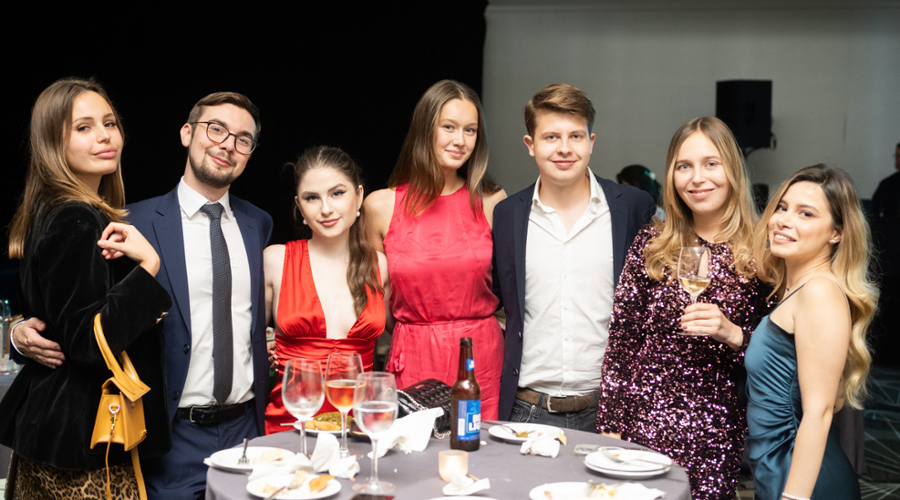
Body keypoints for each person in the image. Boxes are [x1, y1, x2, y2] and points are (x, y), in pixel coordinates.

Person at [0, 78, 172, 498]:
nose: (104, 136)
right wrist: (148, 267)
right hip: (86, 443)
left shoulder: (56, 211)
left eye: (109, 123)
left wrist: (18, 330)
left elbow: (59, 318)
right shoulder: (75, 218)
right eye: (83, 127)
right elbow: (89, 346)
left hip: (51, 435)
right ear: (52, 143)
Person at [596, 116, 770, 499]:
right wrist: (610, 424)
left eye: (711, 163)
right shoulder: (654, 242)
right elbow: (623, 340)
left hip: (714, 431)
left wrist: (733, 334)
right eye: (684, 166)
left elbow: (785, 351)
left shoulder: (763, 252)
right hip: (643, 424)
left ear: (732, 169)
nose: (697, 178)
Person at [492, 83, 655, 431]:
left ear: (591, 142)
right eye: (551, 137)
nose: (564, 149)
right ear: (530, 145)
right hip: (527, 409)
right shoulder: (507, 216)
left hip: (610, 411)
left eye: (575, 137)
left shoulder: (632, 207)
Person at [365, 79, 506, 420]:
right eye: (449, 127)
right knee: (414, 464)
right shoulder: (381, 206)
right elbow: (373, 299)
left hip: (479, 360)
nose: (460, 140)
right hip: (413, 357)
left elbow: (509, 287)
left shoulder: (492, 201)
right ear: (424, 129)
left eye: (470, 130)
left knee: (482, 459)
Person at [746, 165, 876, 500]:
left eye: (806, 213)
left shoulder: (819, 292)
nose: (783, 220)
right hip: (778, 468)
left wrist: (794, 497)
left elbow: (819, 411)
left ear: (837, 232)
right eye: (782, 207)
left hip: (803, 481)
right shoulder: (796, 288)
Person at [264, 146, 390, 434]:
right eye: (312, 197)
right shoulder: (275, 260)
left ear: (358, 196)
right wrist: (267, 346)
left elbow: (405, 333)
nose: (325, 208)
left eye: (337, 193)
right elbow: (244, 341)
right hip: (289, 424)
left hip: (360, 427)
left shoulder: (380, 266)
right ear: (299, 206)